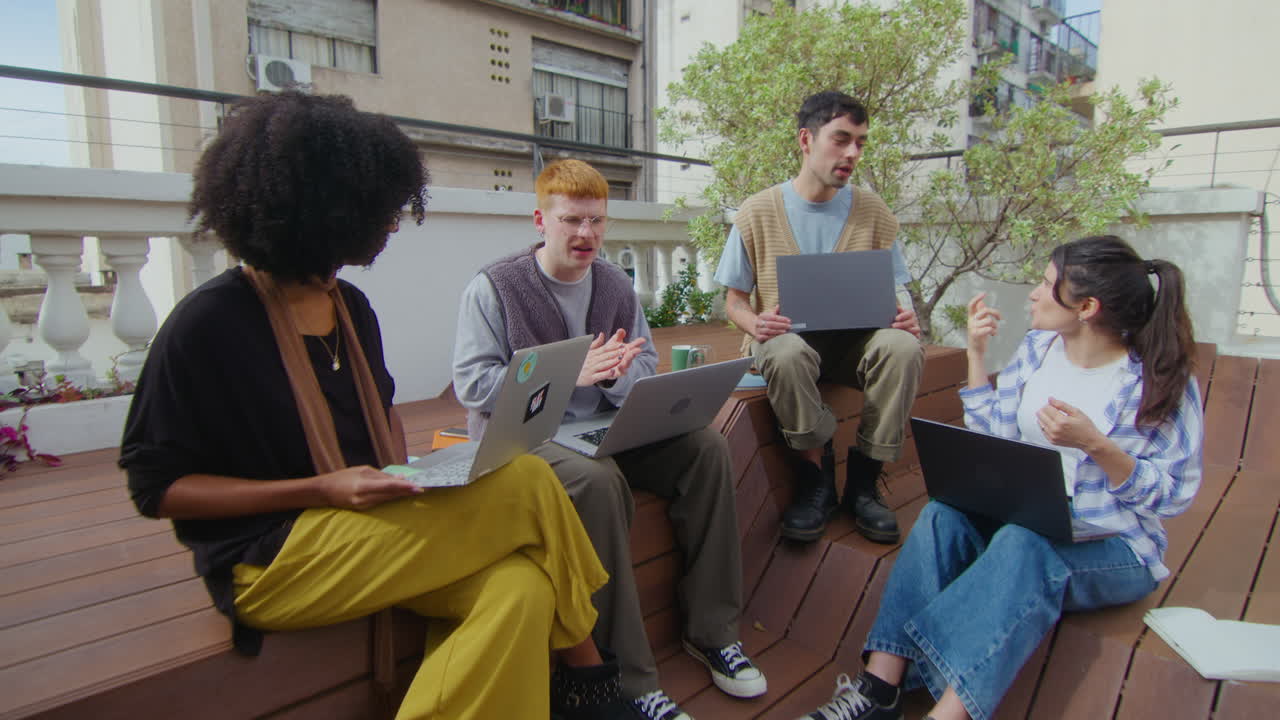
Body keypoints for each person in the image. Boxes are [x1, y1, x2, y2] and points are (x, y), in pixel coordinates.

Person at [120, 92, 628, 720]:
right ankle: (592, 674)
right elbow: (156, 488)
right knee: (525, 477)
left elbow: (380, 418)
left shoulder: (352, 310)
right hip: (271, 559)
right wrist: (320, 487)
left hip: (367, 524)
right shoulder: (207, 324)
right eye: (381, 208)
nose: (394, 223)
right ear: (325, 209)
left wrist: (415, 473)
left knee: (520, 587)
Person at [797, 235, 1204, 720]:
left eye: (1048, 284)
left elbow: (1174, 495)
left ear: (1088, 306)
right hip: (1029, 512)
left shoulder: (1154, 380)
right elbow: (994, 431)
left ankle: (945, 714)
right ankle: (879, 688)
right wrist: (975, 353)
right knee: (941, 514)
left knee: (1021, 542)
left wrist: (1097, 445)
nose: (1033, 292)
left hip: (1116, 545)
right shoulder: (1038, 349)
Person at [453, 159, 767, 720]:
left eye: (596, 221)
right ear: (539, 220)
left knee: (706, 449)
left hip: (603, 426)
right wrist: (568, 373)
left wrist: (623, 371)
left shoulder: (616, 282)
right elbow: (473, 384)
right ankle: (628, 675)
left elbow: (642, 358)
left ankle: (713, 631)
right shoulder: (494, 286)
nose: (586, 234)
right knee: (599, 483)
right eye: (572, 220)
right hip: (526, 441)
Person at [715, 90, 924, 545]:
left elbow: (899, 289)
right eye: (842, 139)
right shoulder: (757, 211)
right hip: (788, 342)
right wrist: (755, 325)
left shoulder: (873, 212)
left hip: (855, 346)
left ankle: (865, 483)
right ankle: (816, 480)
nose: (853, 153)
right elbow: (734, 301)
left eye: (861, 143)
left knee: (903, 347)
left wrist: (906, 316)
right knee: (785, 352)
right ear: (806, 140)